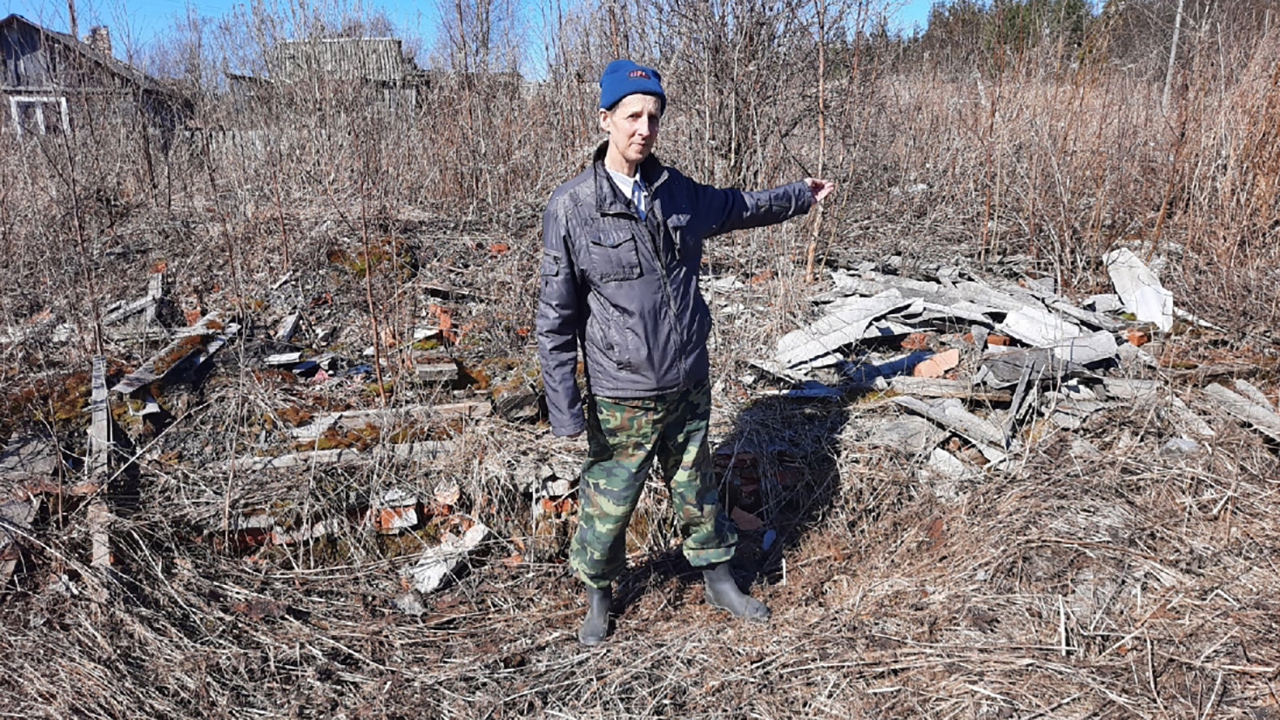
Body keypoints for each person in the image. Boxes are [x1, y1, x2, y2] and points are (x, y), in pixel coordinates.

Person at [536, 58, 835, 646]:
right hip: (622, 390)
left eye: (652, 116)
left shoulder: (678, 193)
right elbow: (554, 319)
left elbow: (739, 206)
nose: (643, 127)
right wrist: (566, 409)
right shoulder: (571, 207)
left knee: (697, 488)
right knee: (608, 501)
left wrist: (800, 196)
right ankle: (599, 594)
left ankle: (718, 577)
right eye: (631, 116)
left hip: (687, 380)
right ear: (605, 120)